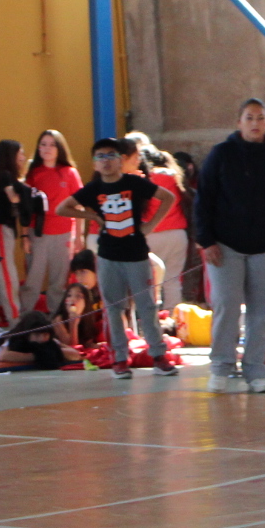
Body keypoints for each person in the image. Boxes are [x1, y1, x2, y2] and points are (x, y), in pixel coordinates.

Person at [196, 99, 265, 394]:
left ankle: (256, 370)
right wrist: (206, 240)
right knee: (226, 306)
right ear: (239, 122)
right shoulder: (221, 154)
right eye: (249, 118)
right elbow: (203, 199)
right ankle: (221, 367)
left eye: (260, 118)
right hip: (225, 246)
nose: (255, 123)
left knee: (262, 313)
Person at [57, 138, 177, 381]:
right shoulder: (93, 189)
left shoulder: (134, 183)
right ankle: (119, 359)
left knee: (147, 307)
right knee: (113, 309)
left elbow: (167, 198)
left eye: (111, 155)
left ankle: (158, 356)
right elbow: (62, 208)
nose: (106, 161)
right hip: (108, 256)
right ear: (95, 163)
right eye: (100, 156)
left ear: (121, 160)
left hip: (136, 255)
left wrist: (151, 225)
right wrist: (91, 215)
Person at [0, 139, 45, 327]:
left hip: (0, 231)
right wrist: (25, 195)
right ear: (11, 156)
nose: (23, 158)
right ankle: (16, 322)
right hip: (0, 230)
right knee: (8, 277)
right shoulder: (5, 176)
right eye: (20, 153)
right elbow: (13, 197)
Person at [24, 129, 83, 312]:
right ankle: (25, 319)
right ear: (38, 148)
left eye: (52, 144)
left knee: (58, 283)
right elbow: (25, 208)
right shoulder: (33, 173)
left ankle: (56, 320)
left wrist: (78, 236)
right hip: (38, 233)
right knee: (32, 281)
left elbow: (79, 206)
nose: (47, 148)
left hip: (63, 233)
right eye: (43, 144)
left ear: (60, 149)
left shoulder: (70, 173)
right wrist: (25, 236)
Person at [141, 141, 191, 313]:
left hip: (151, 234)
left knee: (148, 280)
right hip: (177, 234)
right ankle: (174, 317)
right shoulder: (174, 176)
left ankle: (150, 317)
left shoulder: (143, 178)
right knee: (172, 280)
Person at [0, 310, 77, 369]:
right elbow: (3, 356)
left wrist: (53, 352)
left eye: (45, 334)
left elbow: (75, 354)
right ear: (27, 335)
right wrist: (39, 355)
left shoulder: (48, 341)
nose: (42, 339)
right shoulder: (15, 338)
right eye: (37, 335)